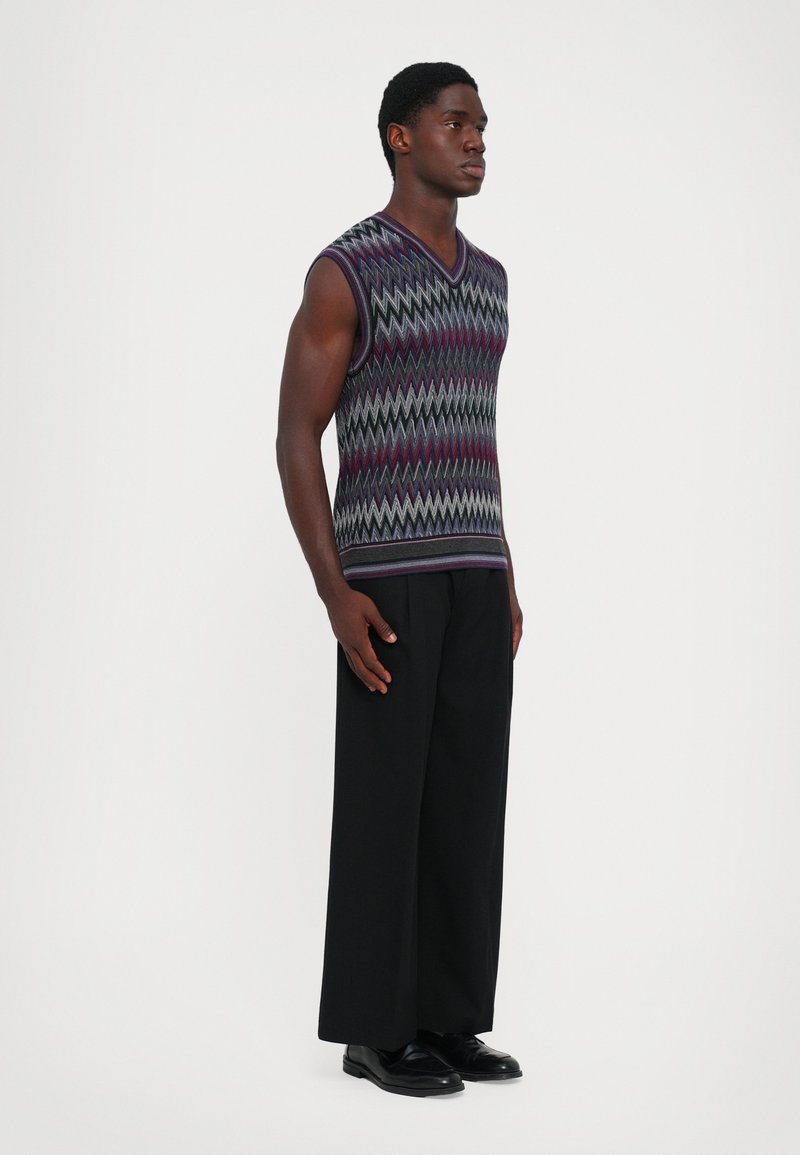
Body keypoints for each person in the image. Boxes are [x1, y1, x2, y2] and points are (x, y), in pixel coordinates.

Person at [276, 61, 523, 1097]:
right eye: (454, 122)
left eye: (481, 125)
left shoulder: (492, 278)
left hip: (474, 570)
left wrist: (505, 567)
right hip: (387, 578)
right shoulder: (346, 271)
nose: (476, 140)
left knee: (466, 802)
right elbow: (296, 433)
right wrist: (333, 591)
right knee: (386, 803)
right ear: (399, 136)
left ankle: (449, 1020)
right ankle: (374, 1032)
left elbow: (475, 429)